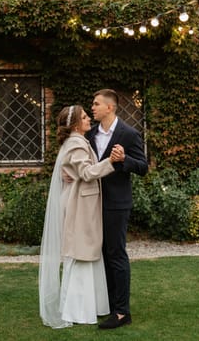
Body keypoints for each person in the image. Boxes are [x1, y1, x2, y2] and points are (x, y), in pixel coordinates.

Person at [39, 104, 120, 329]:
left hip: (84, 202)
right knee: (81, 252)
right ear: (75, 124)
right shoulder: (76, 143)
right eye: (84, 117)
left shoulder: (78, 141)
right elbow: (86, 172)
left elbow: (76, 172)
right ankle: (78, 310)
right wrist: (111, 162)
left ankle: (89, 306)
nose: (88, 120)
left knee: (87, 251)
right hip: (80, 204)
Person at [86, 89, 149, 329]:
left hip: (117, 204)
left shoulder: (129, 134)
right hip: (91, 203)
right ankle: (109, 305)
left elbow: (143, 167)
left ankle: (122, 312)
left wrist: (124, 160)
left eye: (96, 104)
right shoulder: (89, 135)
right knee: (101, 254)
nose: (92, 108)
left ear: (109, 107)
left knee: (116, 253)